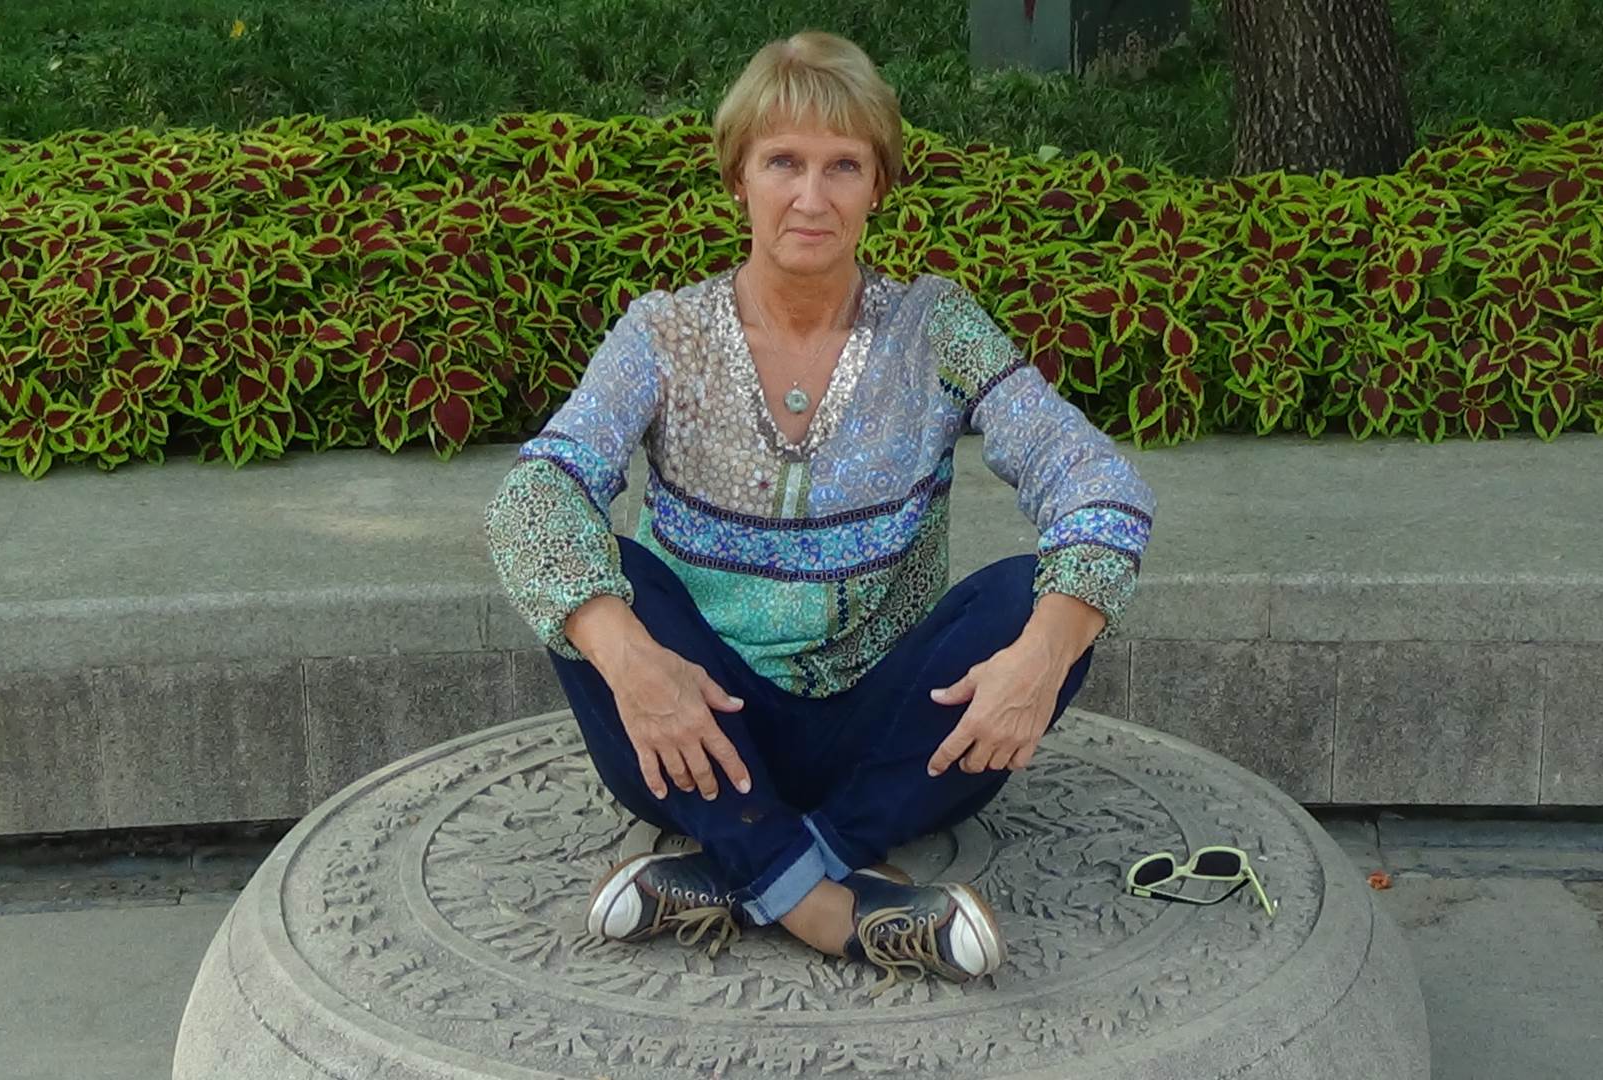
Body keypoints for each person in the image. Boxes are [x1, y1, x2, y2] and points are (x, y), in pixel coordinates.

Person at [483, 30, 1154, 993]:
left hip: (887, 735)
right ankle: (834, 908)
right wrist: (633, 664)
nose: (812, 197)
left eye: (843, 166)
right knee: (603, 583)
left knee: (1031, 601)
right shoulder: (663, 333)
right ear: (739, 178)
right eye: (783, 163)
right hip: (695, 729)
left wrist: (1043, 656)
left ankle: (742, 872)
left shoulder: (935, 327)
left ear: (879, 185)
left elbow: (1096, 481)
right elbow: (534, 496)